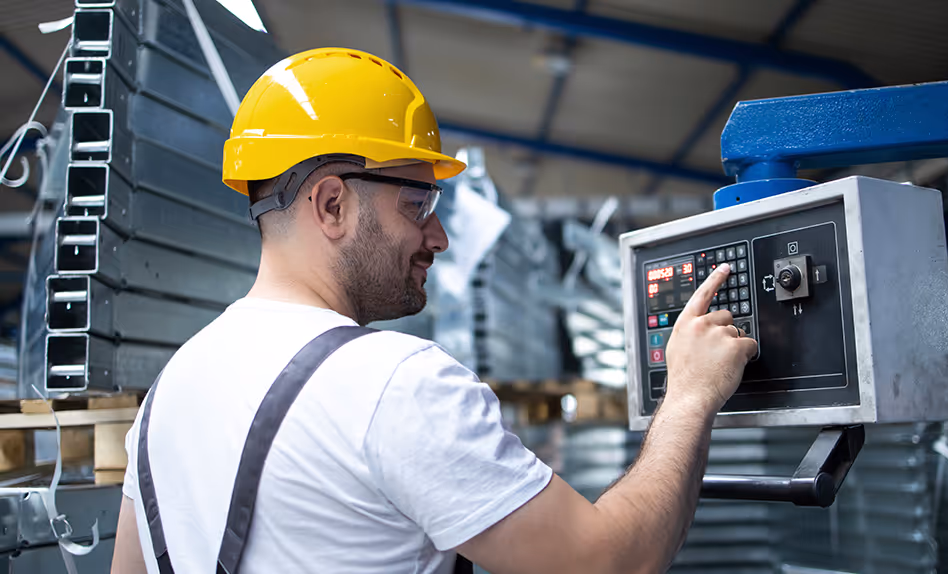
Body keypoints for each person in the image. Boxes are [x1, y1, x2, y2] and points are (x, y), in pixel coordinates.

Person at [110, 48, 757, 574]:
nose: (440, 237)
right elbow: (612, 563)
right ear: (332, 205)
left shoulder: (167, 397)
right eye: (417, 203)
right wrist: (689, 395)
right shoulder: (393, 384)